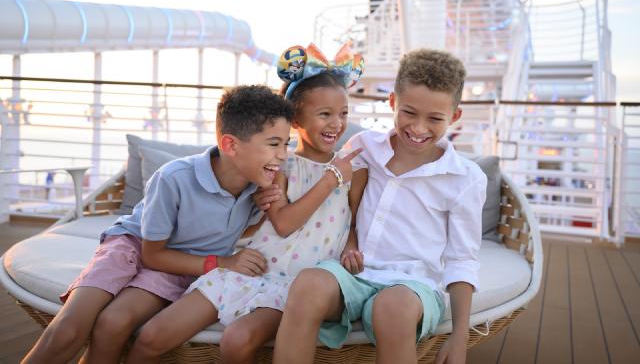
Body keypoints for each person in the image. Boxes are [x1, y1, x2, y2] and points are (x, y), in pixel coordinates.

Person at [125, 43, 368, 364]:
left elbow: (353, 221)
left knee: (238, 340)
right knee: (152, 336)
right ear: (295, 117)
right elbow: (283, 223)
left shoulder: (353, 170)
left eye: (343, 114)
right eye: (325, 114)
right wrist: (329, 178)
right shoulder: (279, 165)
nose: (337, 124)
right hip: (252, 267)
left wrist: (351, 245)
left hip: (297, 284)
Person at [22, 85, 294, 364]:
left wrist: (263, 212)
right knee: (68, 330)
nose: (284, 154)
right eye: (274, 144)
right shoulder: (174, 178)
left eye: (287, 143)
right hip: (131, 245)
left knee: (113, 323)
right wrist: (224, 262)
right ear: (230, 145)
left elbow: (228, 228)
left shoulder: (260, 188)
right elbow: (151, 253)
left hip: (181, 267)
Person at [273, 48, 487, 364]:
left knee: (393, 307)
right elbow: (328, 183)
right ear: (392, 103)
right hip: (352, 276)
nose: (418, 128)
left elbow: (462, 258)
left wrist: (460, 335)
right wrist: (269, 186)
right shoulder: (363, 147)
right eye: (409, 113)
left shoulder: (466, 177)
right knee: (308, 284)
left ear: (454, 117)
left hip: (412, 285)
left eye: (435, 118)